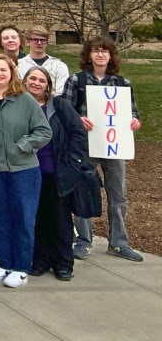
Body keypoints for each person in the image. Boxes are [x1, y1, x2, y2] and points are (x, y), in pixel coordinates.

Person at [0, 54, 52, 288]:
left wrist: (21, 147)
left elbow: (43, 132)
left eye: (3, 70)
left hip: (23, 170)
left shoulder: (25, 100)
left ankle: (21, 267)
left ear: (11, 72)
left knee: (23, 218)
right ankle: (4, 262)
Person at [64, 36, 144, 262]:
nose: (100, 55)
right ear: (88, 55)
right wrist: (79, 119)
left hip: (114, 146)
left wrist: (134, 121)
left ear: (110, 56)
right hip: (85, 146)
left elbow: (133, 113)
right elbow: (65, 113)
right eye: (96, 51)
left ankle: (118, 242)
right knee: (83, 193)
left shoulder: (122, 83)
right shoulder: (76, 81)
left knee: (118, 196)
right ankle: (83, 241)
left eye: (105, 51)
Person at [24, 66, 89, 281]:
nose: (36, 83)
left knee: (60, 219)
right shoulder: (18, 105)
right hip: (29, 172)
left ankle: (63, 264)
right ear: (24, 81)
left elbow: (78, 133)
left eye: (41, 80)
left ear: (48, 86)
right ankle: (41, 260)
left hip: (57, 172)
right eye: (32, 78)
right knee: (38, 218)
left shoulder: (59, 106)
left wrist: (73, 163)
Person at [17, 26, 70, 96]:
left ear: (46, 42)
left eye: (42, 40)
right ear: (28, 42)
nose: (39, 43)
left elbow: (61, 92)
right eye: (35, 40)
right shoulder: (19, 65)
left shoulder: (59, 66)